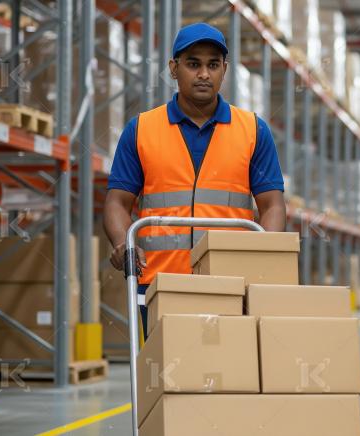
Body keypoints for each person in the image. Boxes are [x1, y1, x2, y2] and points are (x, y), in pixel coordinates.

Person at [103, 22, 286, 339]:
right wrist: (123, 243)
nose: (204, 74)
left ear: (224, 70)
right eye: (193, 64)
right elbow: (117, 202)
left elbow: (272, 205)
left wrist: (264, 261)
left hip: (232, 284)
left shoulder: (253, 131)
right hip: (160, 283)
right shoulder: (141, 130)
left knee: (230, 375)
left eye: (213, 65)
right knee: (167, 380)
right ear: (173, 69)